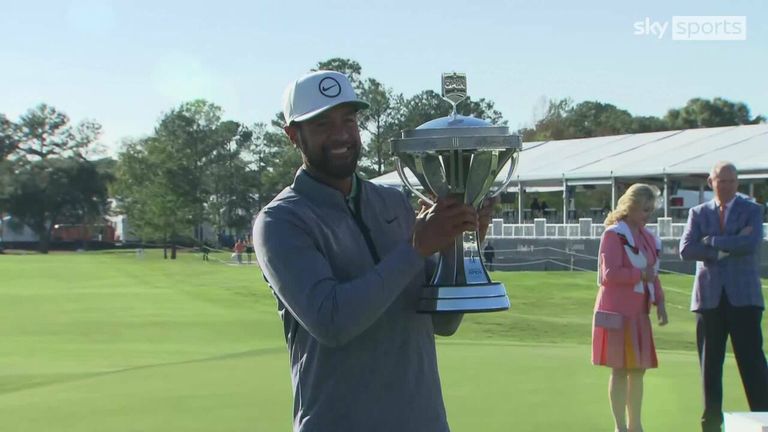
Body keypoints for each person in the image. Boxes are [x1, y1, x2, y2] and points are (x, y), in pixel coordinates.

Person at [252, 70, 494, 432]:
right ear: (292, 136)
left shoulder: (393, 203)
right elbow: (332, 322)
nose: (340, 135)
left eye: (348, 120)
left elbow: (442, 322)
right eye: (322, 125)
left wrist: (458, 249)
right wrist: (417, 248)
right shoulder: (281, 222)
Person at [679, 161, 768, 432]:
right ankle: (711, 425)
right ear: (711, 182)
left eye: (731, 181)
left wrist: (712, 242)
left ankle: (764, 418)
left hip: (744, 298)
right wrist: (728, 244)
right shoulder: (697, 213)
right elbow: (686, 249)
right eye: (721, 180)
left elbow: (750, 243)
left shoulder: (752, 210)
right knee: (710, 367)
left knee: (753, 363)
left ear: (737, 183)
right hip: (708, 299)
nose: (727, 185)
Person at [592, 183, 668, 432]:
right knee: (620, 368)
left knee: (638, 370)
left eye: (650, 210)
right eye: (644, 209)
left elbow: (653, 274)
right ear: (630, 207)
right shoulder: (614, 234)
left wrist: (661, 303)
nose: (647, 215)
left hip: (639, 313)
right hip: (617, 312)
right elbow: (609, 274)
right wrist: (639, 275)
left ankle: (636, 426)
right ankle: (620, 427)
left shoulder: (648, 238)